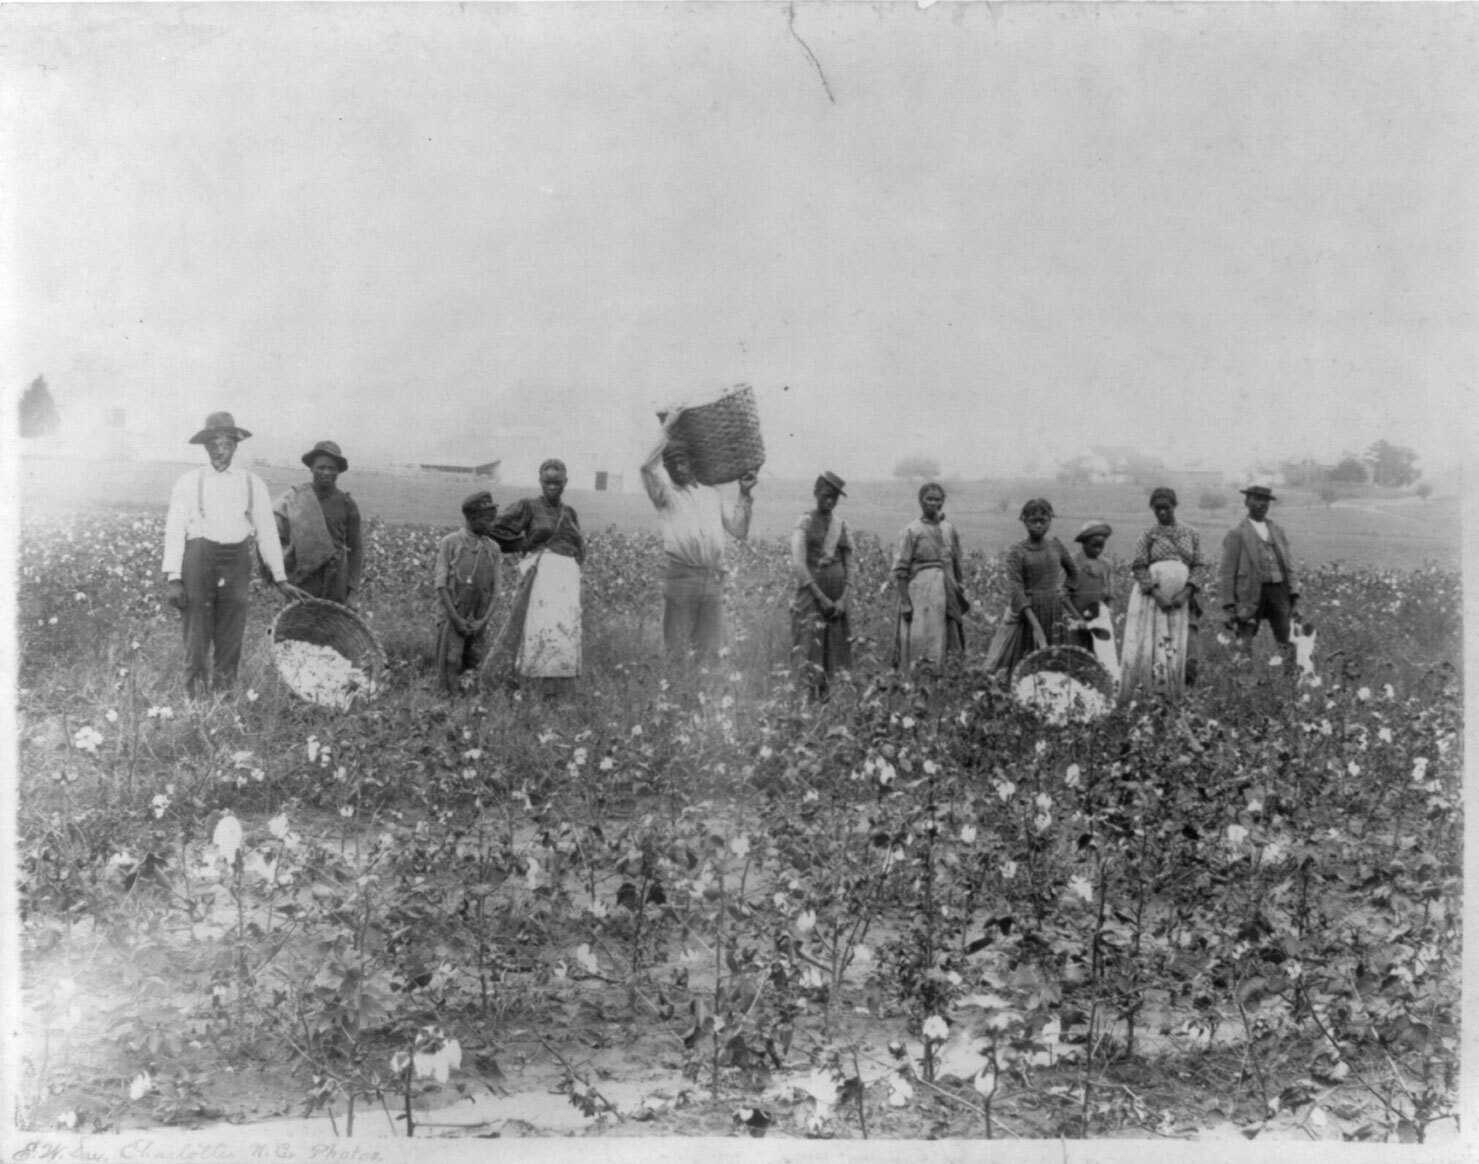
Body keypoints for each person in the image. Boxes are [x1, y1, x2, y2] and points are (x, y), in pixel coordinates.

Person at [161, 411, 305, 697]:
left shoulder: (252, 483)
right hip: (198, 561)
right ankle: (196, 702)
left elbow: (266, 532)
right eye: (212, 443)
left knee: (231, 633)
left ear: (236, 445)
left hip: (236, 562)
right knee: (196, 635)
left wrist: (280, 577)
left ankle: (223, 701)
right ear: (205, 447)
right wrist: (174, 578)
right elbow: (175, 529)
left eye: (226, 443)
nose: (219, 449)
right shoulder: (189, 482)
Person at [640, 415, 756, 664]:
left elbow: (739, 530)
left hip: (712, 578)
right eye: (670, 464)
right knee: (678, 649)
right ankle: (676, 698)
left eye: (681, 460)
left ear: (691, 462)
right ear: (666, 469)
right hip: (682, 576)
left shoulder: (711, 493)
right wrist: (668, 429)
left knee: (710, 650)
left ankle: (702, 697)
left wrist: (745, 493)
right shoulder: (666, 495)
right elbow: (646, 467)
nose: (676, 467)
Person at [488, 459, 584, 695]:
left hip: (566, 582)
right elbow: (495, 529)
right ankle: (533, 687)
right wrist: (524, 544)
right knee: (537, 628)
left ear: (565, 483)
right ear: (540, 482)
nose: (552, 486)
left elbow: (579, 545)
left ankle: (560, 688)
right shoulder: (527, 507)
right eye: (548, 482)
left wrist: (573, 566)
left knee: (564, 631)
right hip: (541, 579)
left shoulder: (569, 512)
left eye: (557, 482)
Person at [1119, 486, 1208, 701]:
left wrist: (1186, 593)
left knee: (1189, 651)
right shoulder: (1148, 536)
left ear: (1174, 506)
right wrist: (1157, 594)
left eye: (1166, 508)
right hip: (1154, 603)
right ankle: (1157, 696)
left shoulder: (1191, 534)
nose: (1161, 513)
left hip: (1184, 601)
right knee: (1156, 648)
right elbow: (1139, 566)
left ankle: (1184, 697)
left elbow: (1199, 565)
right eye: (1157, 509)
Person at [984, 498, 1078, 676]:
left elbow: (1073, 572)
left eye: (1043, 521)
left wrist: (1065, 591)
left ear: (1050, 521)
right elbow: (1016, 589)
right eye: (1033, 521)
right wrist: (1035, 625)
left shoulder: (1056, 546)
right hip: (1028, 612)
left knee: (1054, 658)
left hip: (1054, 609)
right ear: (1024, 521)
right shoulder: (1017, 552)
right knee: (1024, 659)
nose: (1038, 525)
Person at [273, 440, 363, 606]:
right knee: (298, 623)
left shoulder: (347, 504)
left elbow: (356, 549)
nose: (326, 472)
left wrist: (353, 591)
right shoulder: (295, 499)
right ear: (311, 468)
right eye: (321, 467)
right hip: (303, 578)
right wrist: (283, 577)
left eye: (332, 468)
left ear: (338, 471)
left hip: (336, 580)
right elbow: (277, 537)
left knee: (330, 626)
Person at [892, 481, 969, 671]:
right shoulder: (912, 530)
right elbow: (901, 569)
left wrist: (959, 586)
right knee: (920, 635)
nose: (933, 503)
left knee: (946, 635)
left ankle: (944, 678)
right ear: (921, 501)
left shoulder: (948, 529)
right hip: (920, 591)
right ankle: (918, 679)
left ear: (942, 502)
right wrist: (905, 602)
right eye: (929, 499)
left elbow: (956, 561)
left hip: (946, 589)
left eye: (937, 499)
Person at [790, 471, 853, 700]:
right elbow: (799, 563)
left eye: (835, 497)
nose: (830, 500)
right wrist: (821, 597)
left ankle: (828, 700)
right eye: (827, 494)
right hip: (812, 595)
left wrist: (842, 599)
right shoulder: (805, 522)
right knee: (809, 645)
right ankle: (805, 701)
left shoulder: (841, 525)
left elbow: (849, 565)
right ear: (816, 492)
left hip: (836, 596)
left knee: (834, 647)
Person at [432, 491, 500, 694]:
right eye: (487, 520)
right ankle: (449, 701)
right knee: (451, 659)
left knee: (475, 659)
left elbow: (496, 590)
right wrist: (456, 619)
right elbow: (441, 584)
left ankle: (469, 702)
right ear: (472, 518)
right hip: (453, 615)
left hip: (479, 617)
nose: (491, 525)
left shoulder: (493, 548)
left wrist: (483, 621)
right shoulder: (450, 542)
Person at [1219, 484, 1298, 658]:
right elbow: (1227, 572)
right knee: (1244, 638)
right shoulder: (1237, 533)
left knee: (1287, 637)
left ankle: (1291, 679)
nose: (1262, 504)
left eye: (1265, 501)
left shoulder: (1277, 531)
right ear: (1247, 502)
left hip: (1278, 591)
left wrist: (1294, 592)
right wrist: (1229, 605)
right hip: (1249, 592)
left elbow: (1289, 564)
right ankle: (1243, 679)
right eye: (1257, 499)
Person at [1066, 521, 1117, 662]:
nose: (1098, 550)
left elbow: (1110, 594)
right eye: (1094, 545)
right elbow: (1063, 595)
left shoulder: (1106, 565)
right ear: (1083, 542)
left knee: (1100, 657)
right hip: (1075, 618)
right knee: (1076, 655)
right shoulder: (1073, 563)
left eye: (1101, 546)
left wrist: (1109, 613)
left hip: (1098, 620)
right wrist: (1077, 618)